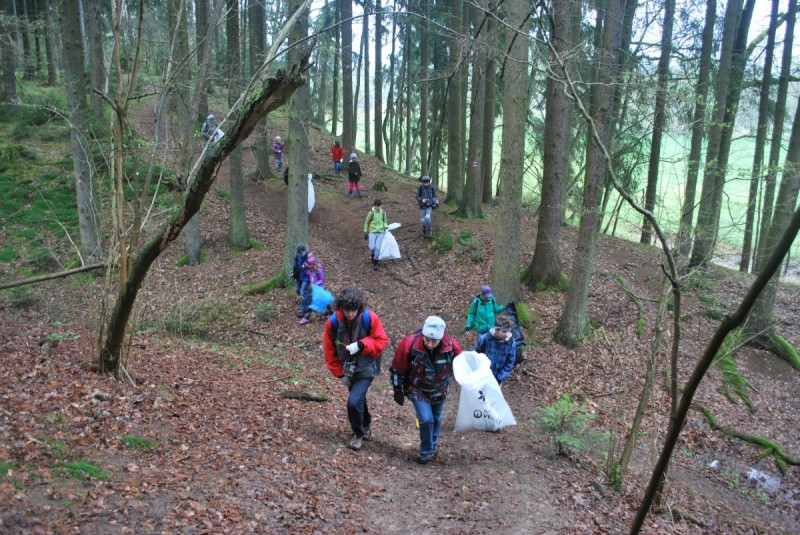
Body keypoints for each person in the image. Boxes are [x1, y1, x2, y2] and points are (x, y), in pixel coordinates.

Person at [323, 287, 389, 452]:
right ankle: (366, 424)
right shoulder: (333, 323)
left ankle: (357, 434)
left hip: (367, 367)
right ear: (341, 308)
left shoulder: (369, 318)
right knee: (358, 399)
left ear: (359, 308)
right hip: (348, 369)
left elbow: (381, 341)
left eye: (353, 311)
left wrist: (361, 344)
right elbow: (329, 350)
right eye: (347, 311)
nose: (350, 314)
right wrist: (339, 373)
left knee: (353, 402)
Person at [391, 316, 463, 464]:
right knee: (425, 419)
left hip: (440, 389)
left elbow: (462, 366)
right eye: (427, 340)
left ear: (440, 338)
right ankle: (426, 450)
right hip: (417, 388)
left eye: (433, 341)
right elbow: (397, 368)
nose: (429, 344)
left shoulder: (452, 346)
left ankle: (433, 443)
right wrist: (397, 389)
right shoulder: (409, 344)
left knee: (436, 416)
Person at [473, 314, 517, 385]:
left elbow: (510, 362)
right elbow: (474, 354)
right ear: (496, 329)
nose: (507, 334)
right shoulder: (485, 338)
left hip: (497, 378)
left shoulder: (511, 343)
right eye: (504, 332)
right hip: (482, 376)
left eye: (508, 331)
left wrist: (500, 377)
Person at [363, 198, 388, 271]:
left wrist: (386, 227)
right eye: (377, 206)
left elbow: (385, 222)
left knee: (378, 248)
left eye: (380, 206)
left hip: (380, 232)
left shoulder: (383, 212)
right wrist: (365, 232)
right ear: (375, 206)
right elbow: (366, 222)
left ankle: (376, 263)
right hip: (372, 232)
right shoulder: (371, 213)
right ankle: (373, 255)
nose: (379, 207)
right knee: (372, 247)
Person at [301, 256, 326, 324]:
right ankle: (306, 318)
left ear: (313, 264)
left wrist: (315, 284)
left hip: (320, 288)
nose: (308, 265)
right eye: (308, 264)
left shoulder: (318, 269)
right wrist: (304, 268)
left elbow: (322, 279)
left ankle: (330, 314)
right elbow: (308, 274)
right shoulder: (311, 269)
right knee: (311, 303)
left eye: (309, 264)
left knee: (325, 302)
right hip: (312, 289)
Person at [292, 245, 313, 323]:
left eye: (301, 254)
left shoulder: (310, 257)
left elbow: (314, 267)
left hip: (306, 278)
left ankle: (302, 310)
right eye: (299, 254)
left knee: (303, 292)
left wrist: (308, 266)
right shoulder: (298, 255)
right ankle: (310, 300)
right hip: (299, 276)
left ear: (304, 251)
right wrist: (294, 271)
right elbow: (295, 261)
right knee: (297, 290)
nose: (300, 255)